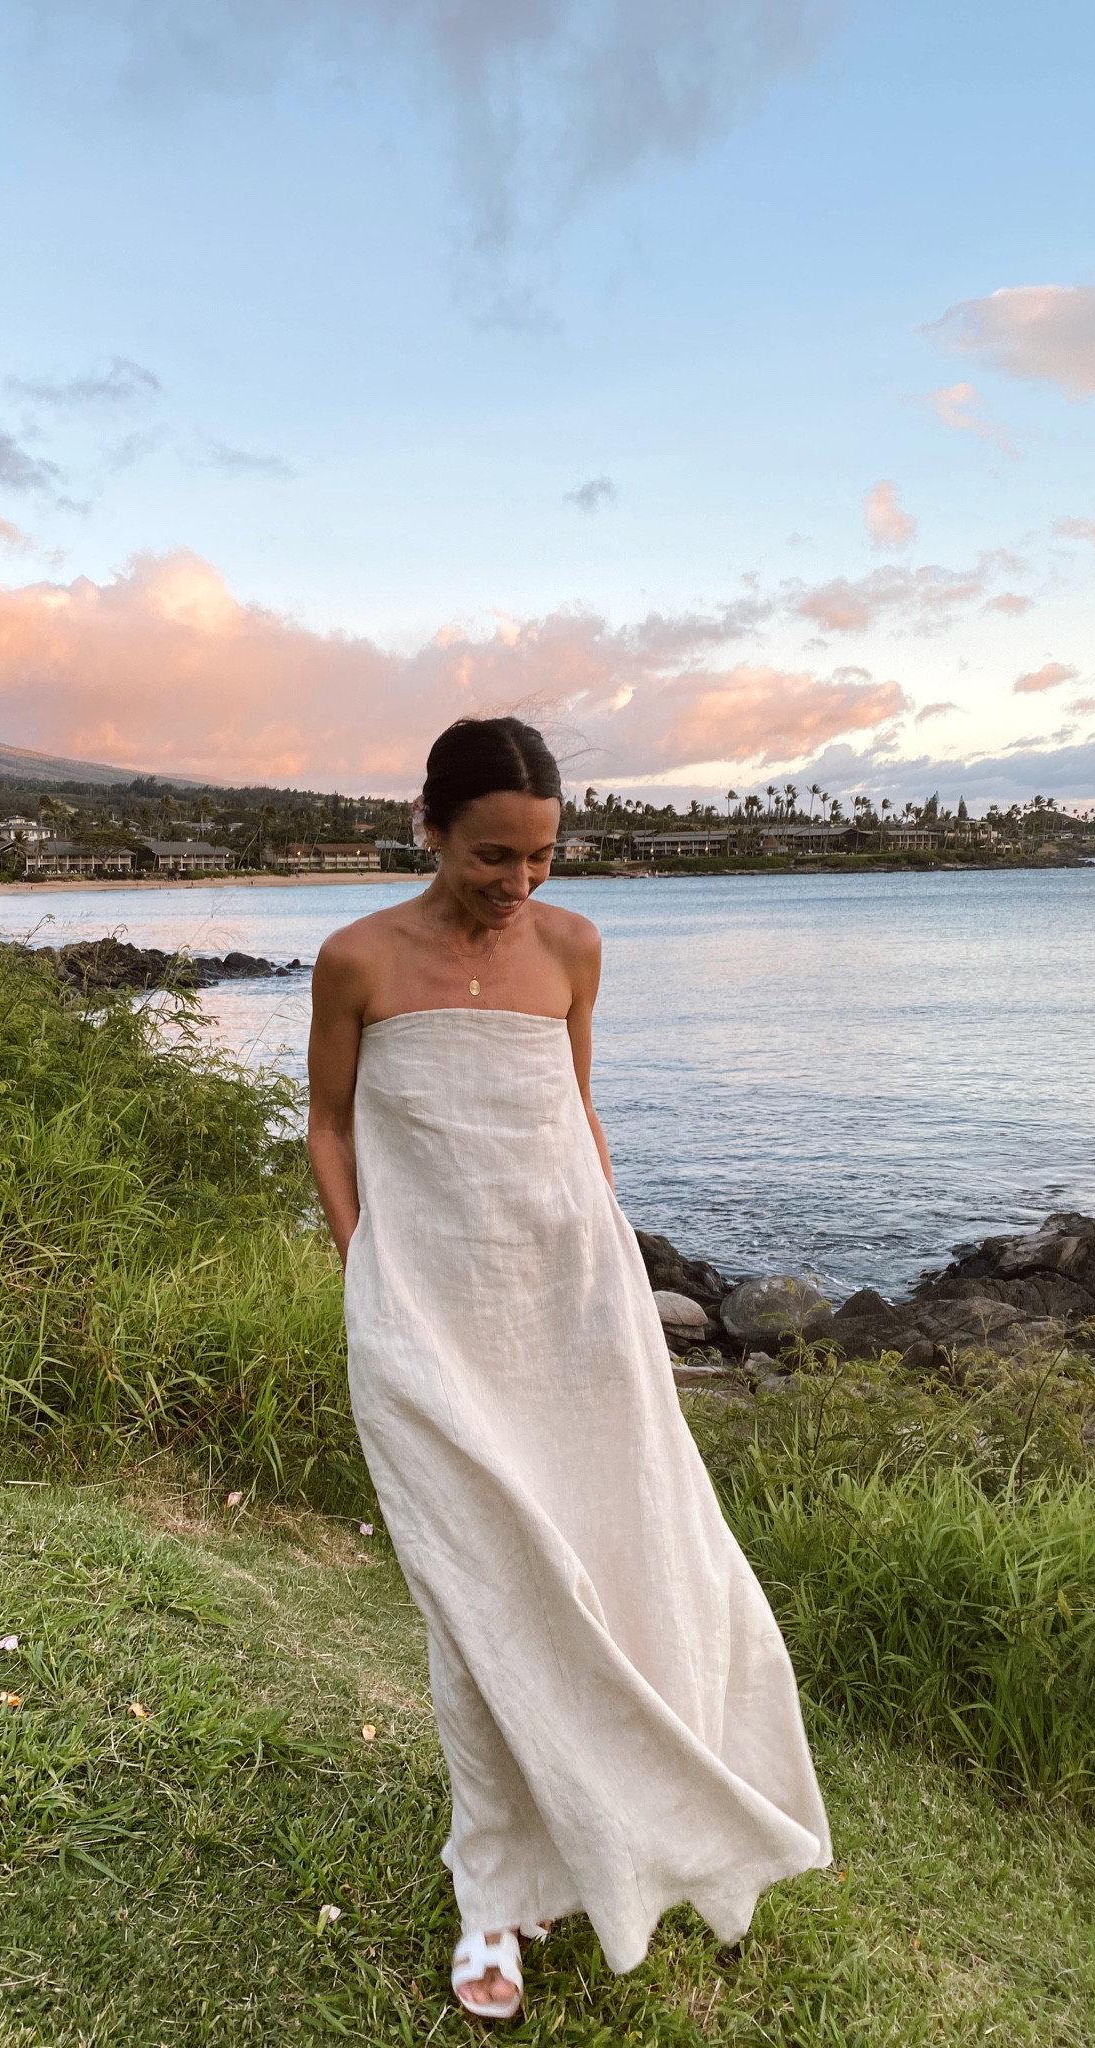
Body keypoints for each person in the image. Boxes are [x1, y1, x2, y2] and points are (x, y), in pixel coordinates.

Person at [306, 717, 830, 2022]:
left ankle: (605, 1839)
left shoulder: (576, 949)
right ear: (430, 828)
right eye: (494, 854)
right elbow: (328, 1124)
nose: (520, 882)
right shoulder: (357, 959)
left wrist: (616, 1265)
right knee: (480, 1596)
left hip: (579, 1311)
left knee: (626, 1568)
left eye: (542, 857)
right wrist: (365, 1266)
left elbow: (574, 1111)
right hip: (427, 1319)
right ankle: (494, 1895)